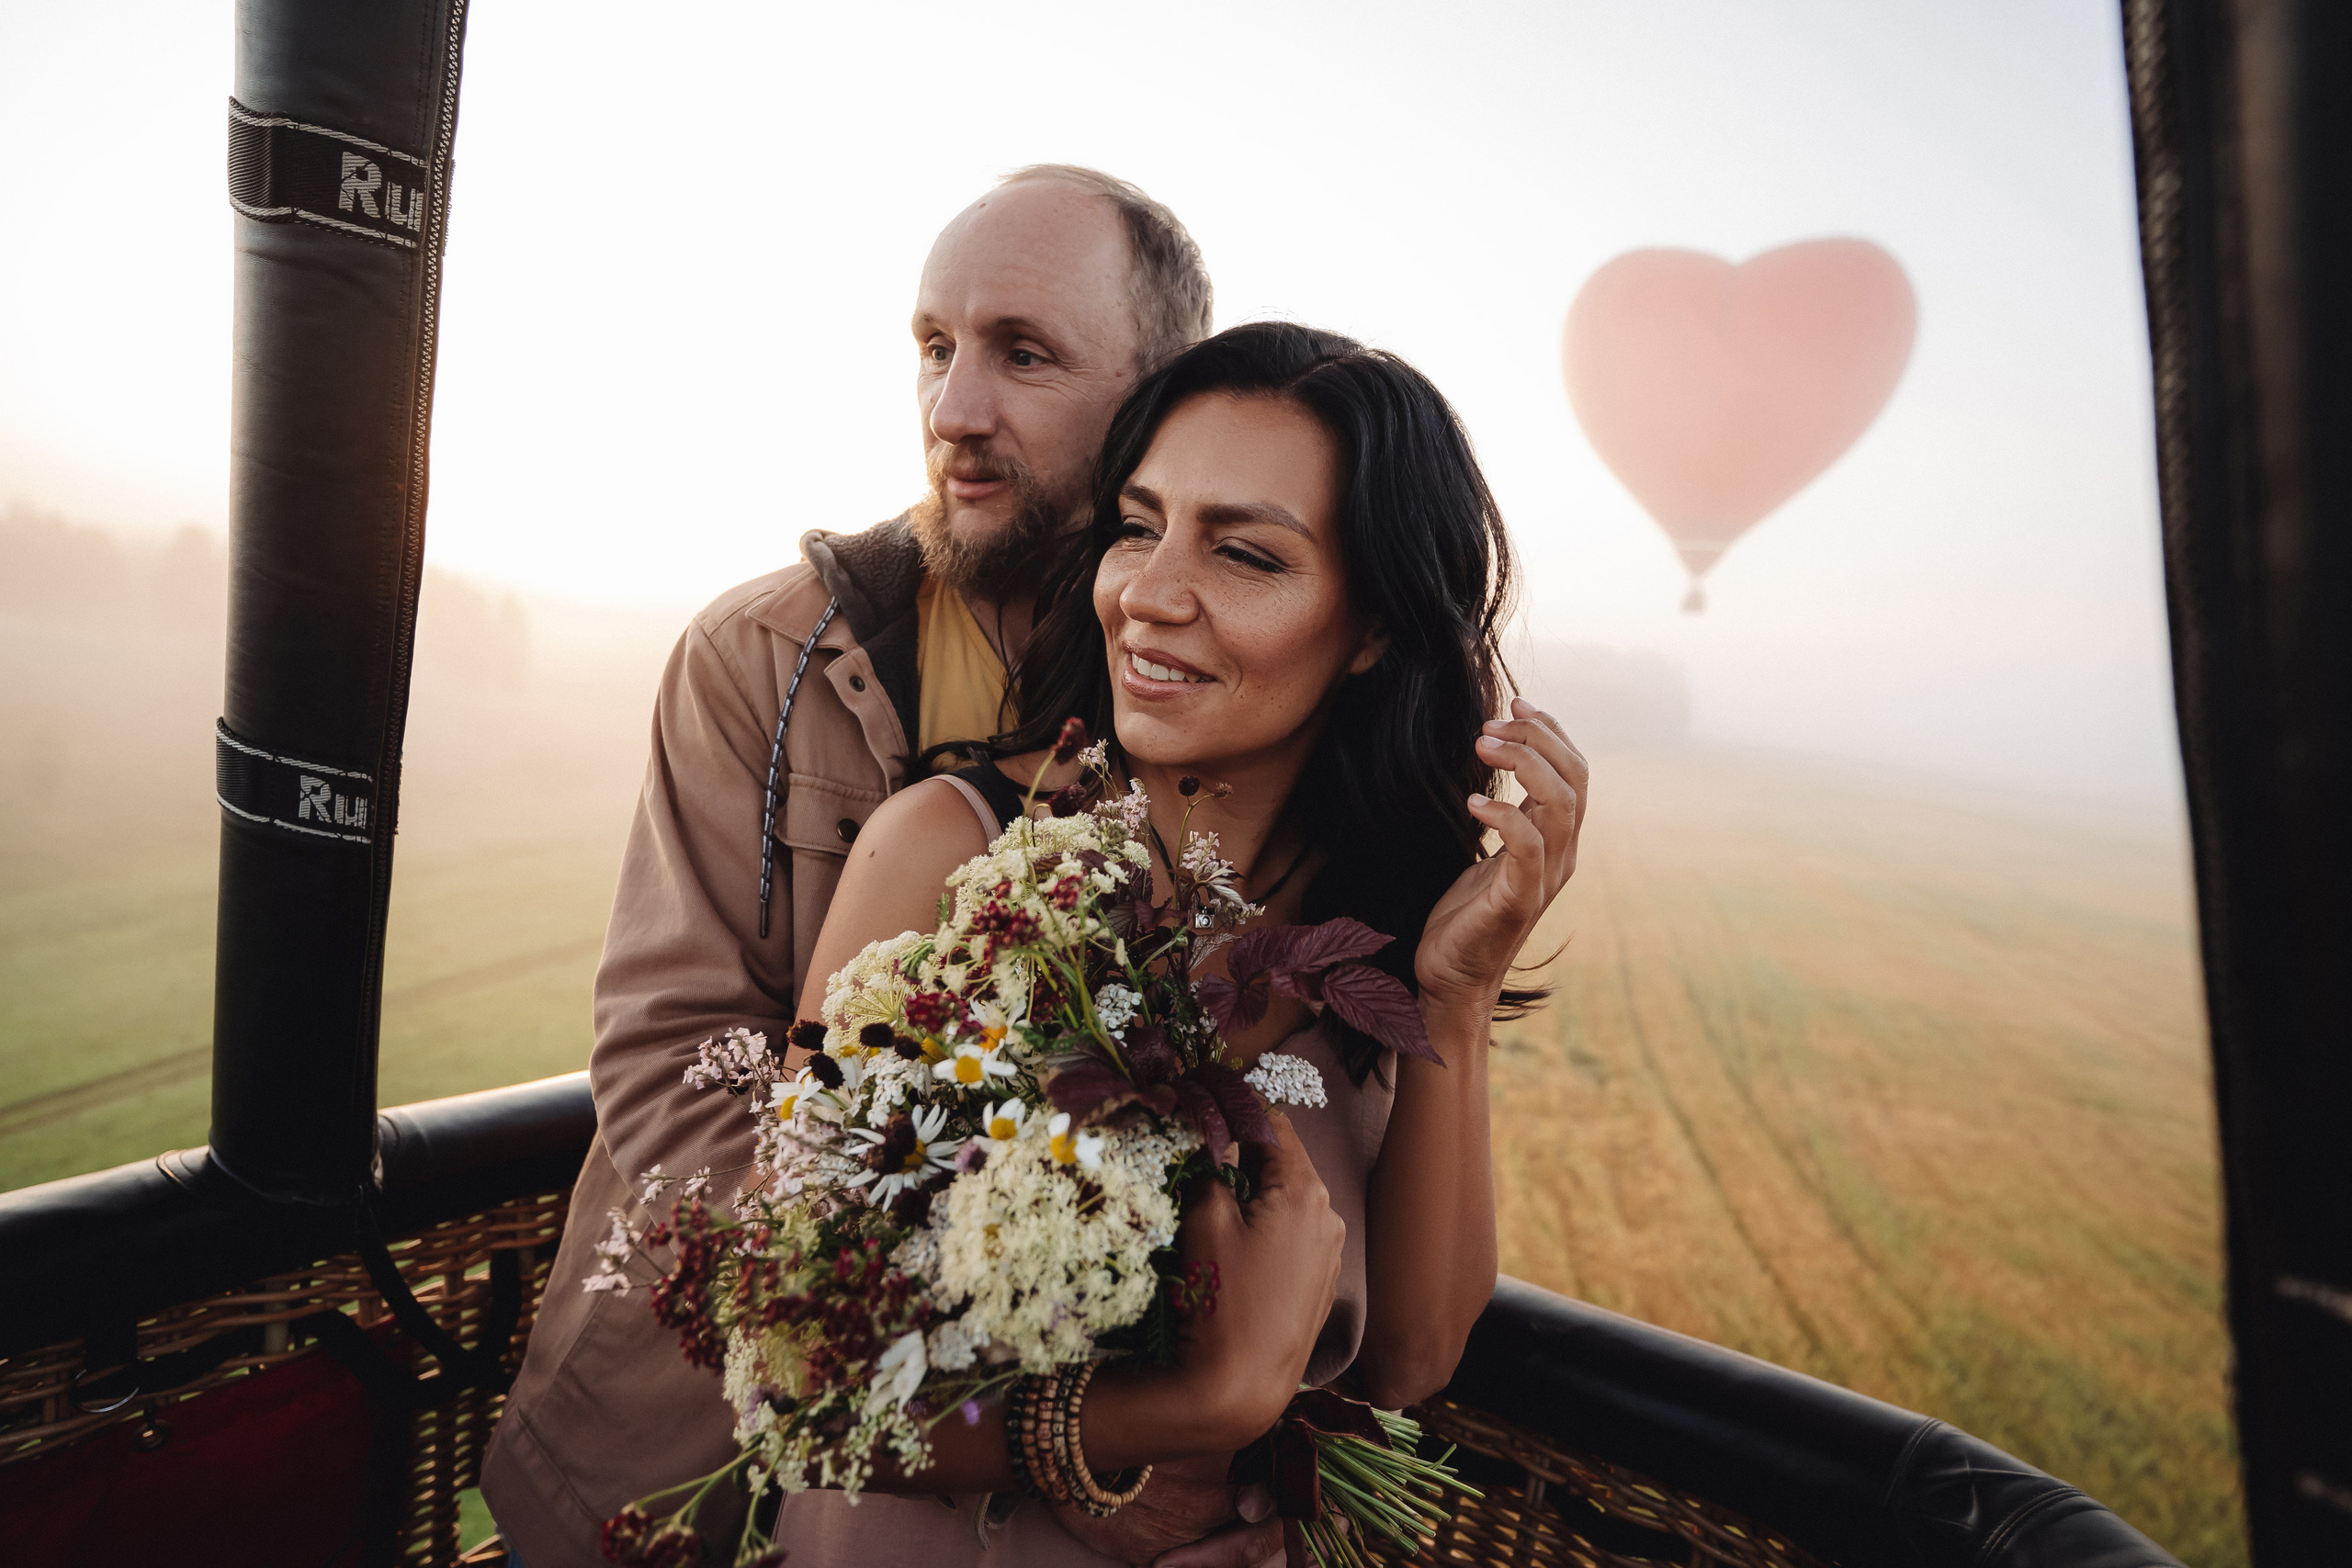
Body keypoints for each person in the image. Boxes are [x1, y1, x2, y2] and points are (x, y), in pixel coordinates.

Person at [480, 164, 1222, 1562]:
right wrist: (924, 1324)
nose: (953, 410)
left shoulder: (1205, 706)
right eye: (936, 347)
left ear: (1160, 402)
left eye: (1024, 354)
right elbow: (669, 1054)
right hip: (663, 1473)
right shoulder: (754, 660)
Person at [760, 321, 1587, 1564]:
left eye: (1244, 552)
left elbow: (1411, 1360)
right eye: (1138, 527)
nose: (1149, 594)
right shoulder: (948, 855)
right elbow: (790, 1373)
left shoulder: (1376, 939)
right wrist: (1185, 1411)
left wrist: (1455, 1001)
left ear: (1373, 627)